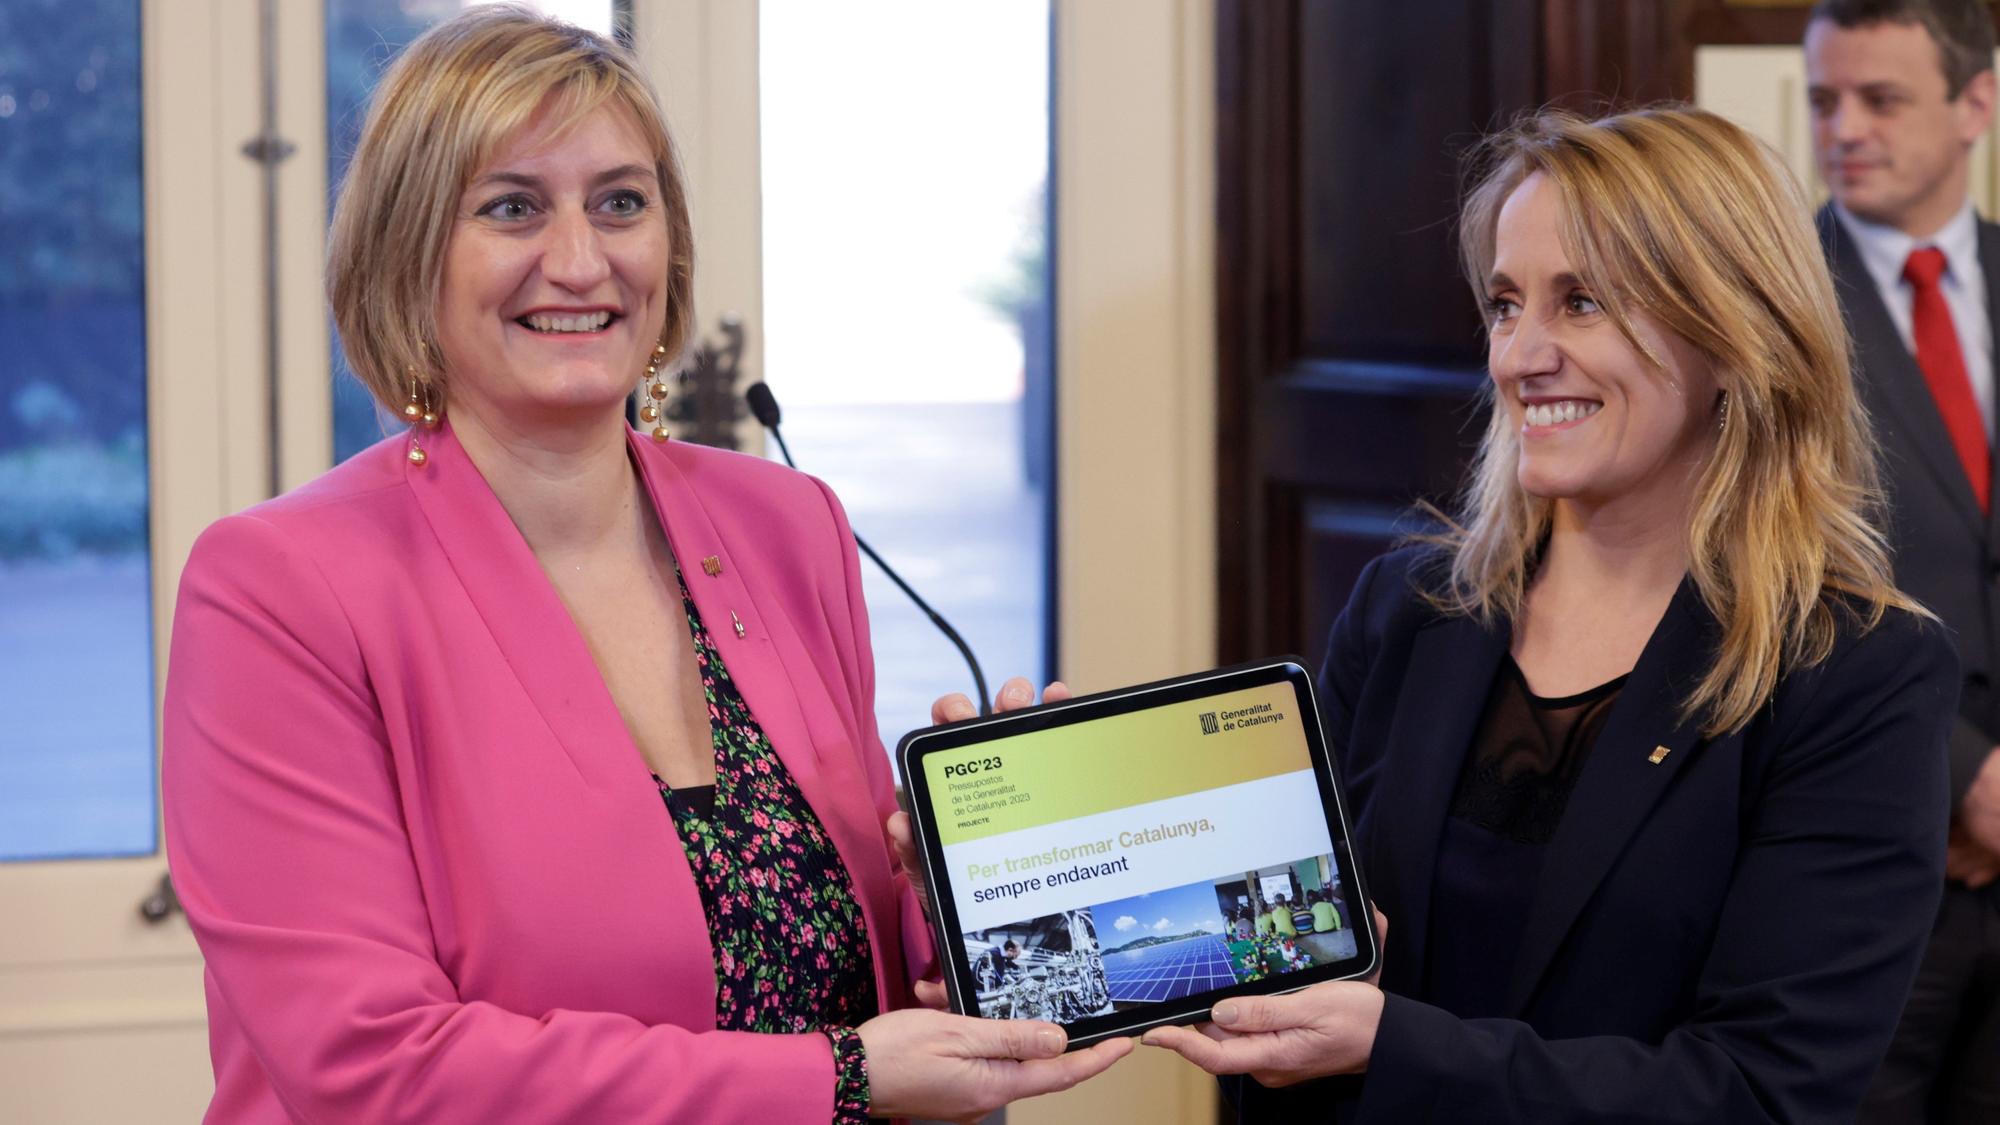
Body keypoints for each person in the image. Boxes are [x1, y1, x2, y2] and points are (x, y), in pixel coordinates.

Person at [159, 9, 1127, 1123]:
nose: (579, 260)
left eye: (620, 202)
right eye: (511, 206)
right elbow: (374, 1071)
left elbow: (850, 962)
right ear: (407, 247)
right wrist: (840, 1079)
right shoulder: (278, 589)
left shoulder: (786, 522)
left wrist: (966, 876)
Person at [1140, 106, 1955, 1122]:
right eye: (1502, 303)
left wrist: (1396, 1046)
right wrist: (1012, 871)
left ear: (1734, 331)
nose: (1519, 356)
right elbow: (1275, 953)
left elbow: (1763, 1092)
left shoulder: (1857, 672)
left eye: (1581, 304)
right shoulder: (1405, 608)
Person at [1805, 2, 2000, 1117]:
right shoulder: (1770, 307)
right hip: (1870, 864)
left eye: (1879, 99)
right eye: (1823, 100)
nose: (1843, 129)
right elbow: (1771, 568)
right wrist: (1966, 776)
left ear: (1975, 102)